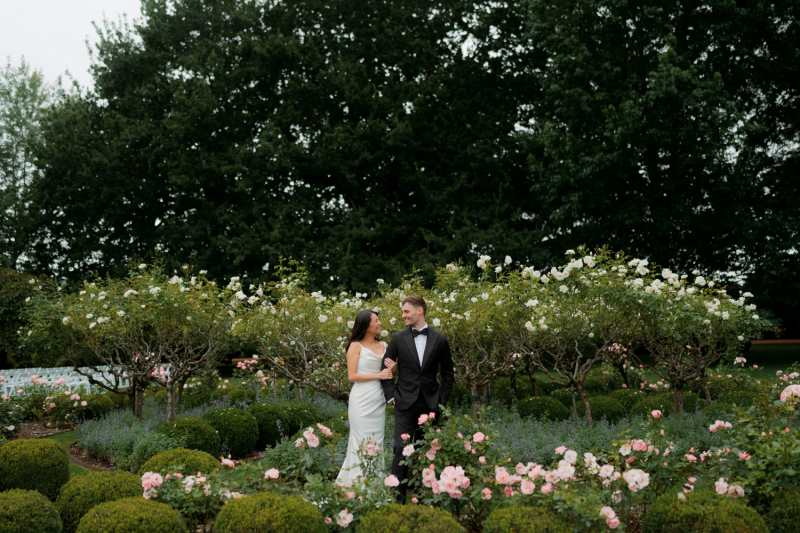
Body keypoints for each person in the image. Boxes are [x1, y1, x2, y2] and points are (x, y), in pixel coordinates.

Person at [380, 295, 454, 504]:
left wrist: (441, 402)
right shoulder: (397, 338)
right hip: (404, 403)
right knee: (400, 450)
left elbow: (448, 374)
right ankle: (398, 500)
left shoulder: (440, 339)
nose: (403, 315)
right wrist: (391, 396)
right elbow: (384, 370)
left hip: (430, 406)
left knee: (427, 453)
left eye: (406, 311)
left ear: (419, 310)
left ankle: (424, 499)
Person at [336, 309, 395, 485]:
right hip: (361, 400)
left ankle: (375, 486)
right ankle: (355, 485)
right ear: (366, 326)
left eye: (379, 319)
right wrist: (380, 375)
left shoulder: (385, 345)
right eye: (375, 321)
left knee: (377, 441)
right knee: (361, 441)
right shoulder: (355, 346)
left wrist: (393, 368)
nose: (380, 323)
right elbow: (352, 376)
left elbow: (390, 372)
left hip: (378, 399)